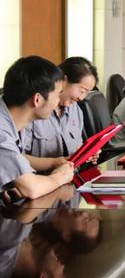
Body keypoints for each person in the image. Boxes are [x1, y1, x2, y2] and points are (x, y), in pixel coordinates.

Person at [0, 56, 74, 200]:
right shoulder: (2, 131)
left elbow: (15, 157)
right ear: (37, 99)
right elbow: (31, 189)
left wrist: (53, 162)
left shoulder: (11, 119)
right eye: (58, 94)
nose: (58, 101)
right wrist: (60, 177)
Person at [23, 57, 98, 158]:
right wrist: (54, 163)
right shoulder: (35, 107)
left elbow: (76, 147)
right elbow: (17, 157)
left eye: (86, 93)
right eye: (82, 91)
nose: (81, 98)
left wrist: (86, 153)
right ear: (63, 80)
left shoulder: (76, 110)